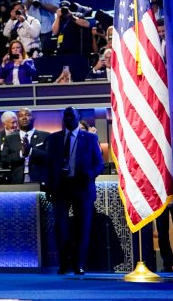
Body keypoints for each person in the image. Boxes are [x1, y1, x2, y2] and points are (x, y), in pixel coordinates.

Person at [46, 106, 104, 275]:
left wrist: (90, 174)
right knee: (61, 228)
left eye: (72, 115)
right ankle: (64, 264)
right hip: (61, 189)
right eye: (66, 116)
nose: (69, 118)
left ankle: (79, 264)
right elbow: (49, 165)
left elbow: (99, 164)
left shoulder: (90, 138)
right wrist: (49, 187)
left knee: (82, 228)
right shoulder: (54, 139)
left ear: (78, 117)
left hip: (83, 188)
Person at [2, 108, 50, 185]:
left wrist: (31, 151)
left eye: (27, 115)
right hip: (17, 181)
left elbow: (50, 158)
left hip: (39, 181)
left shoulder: (45, 136)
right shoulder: (10, 138)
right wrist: (21, 154)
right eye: (21, 116)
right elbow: (4, 161)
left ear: (33, 118)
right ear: (17, 120)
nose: (24, 117)